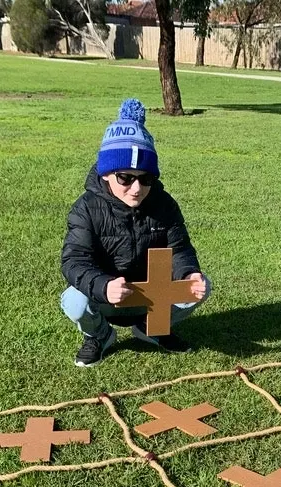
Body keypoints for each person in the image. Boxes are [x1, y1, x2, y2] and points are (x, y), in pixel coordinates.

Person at [60, 98, 210, 368]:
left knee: (201, 286)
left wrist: (189, 273)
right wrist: (104, 285)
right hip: (107, 296)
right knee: (74, 300)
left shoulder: (165, 205)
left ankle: (151, 328)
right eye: (125, 178)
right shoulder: (85, 208)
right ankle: (99, 335)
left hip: (152, 294)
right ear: (106, 174)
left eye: (146, 178)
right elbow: (74, 261)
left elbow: (180, 249)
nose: (137, 187)